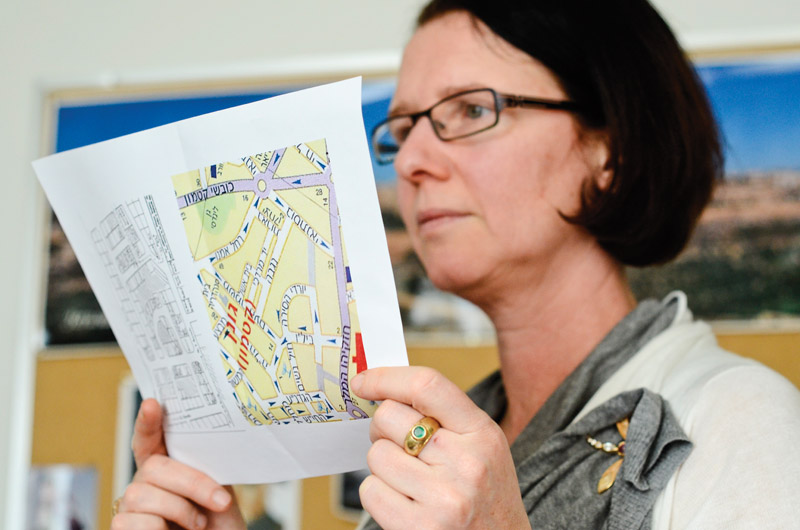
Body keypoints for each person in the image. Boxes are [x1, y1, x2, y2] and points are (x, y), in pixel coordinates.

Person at [112, 0, 800, 528]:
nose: (411, 160)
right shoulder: (436, 446)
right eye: (403, 128)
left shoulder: (740, 422)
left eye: (471, 110)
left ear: (608, 151)